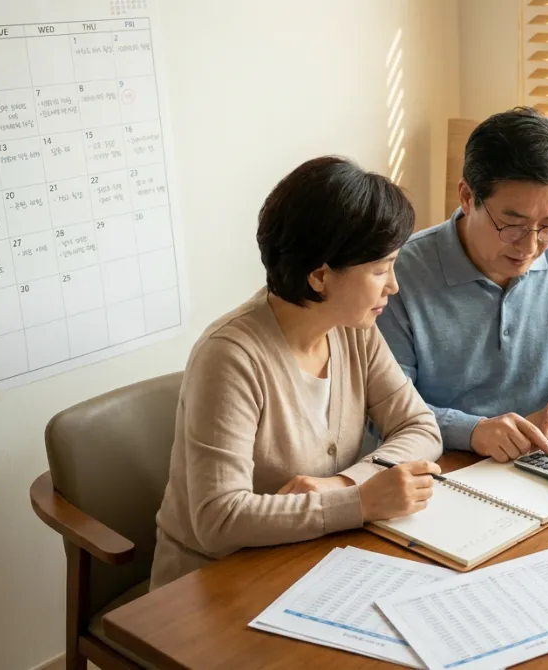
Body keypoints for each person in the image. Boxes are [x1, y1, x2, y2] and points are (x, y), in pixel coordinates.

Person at [151, 157, 443, 589]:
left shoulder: (353, 329)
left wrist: (344, 484)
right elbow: (219, 517)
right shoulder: (230, 358)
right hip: (211, 584)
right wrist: (357, 503)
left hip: (314, 562)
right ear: (321, 276)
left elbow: (420, 426)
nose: (393, 286)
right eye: (380, 269)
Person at [378, 107, 548, 462]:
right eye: (512, 223)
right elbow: (384, 407)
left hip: (543, 459)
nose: (531, 246)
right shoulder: (399, 276)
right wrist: (473, 430)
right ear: (466, 197)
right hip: (441, 468)